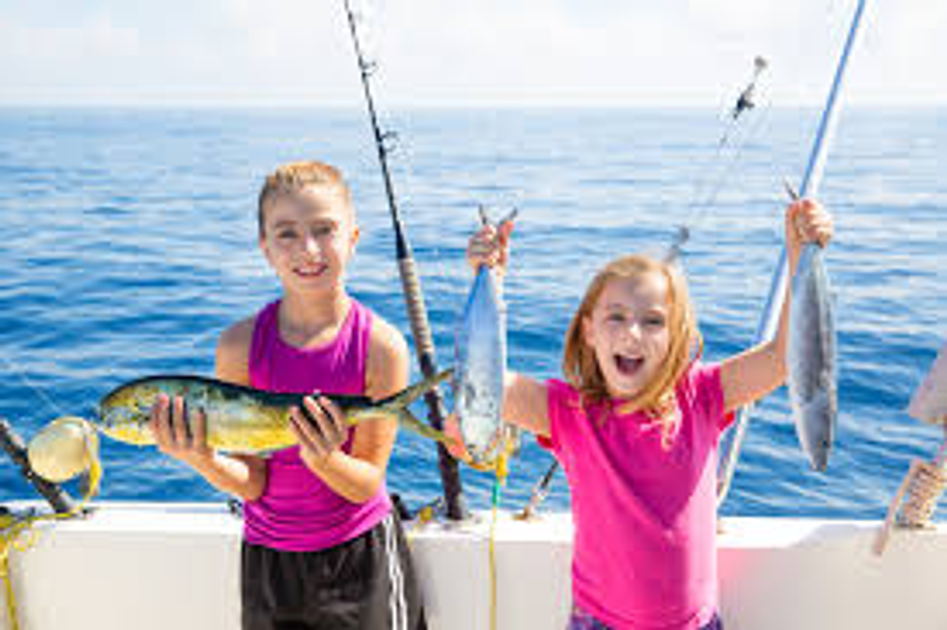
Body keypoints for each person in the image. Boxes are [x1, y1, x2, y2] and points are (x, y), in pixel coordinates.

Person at [460, 199, 833, 629]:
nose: (633, 333)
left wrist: (798, 252)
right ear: (589, 331)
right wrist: (488, 278)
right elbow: (485, 380)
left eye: (653, 321)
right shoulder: (571, 413)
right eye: (615, 317)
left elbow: (784, 358)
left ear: (677, 336)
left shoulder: (702, 396)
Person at [148, 160, 426, 630]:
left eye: (324, 230)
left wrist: (325, 460)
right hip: (268, 561)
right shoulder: (238, 346)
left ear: (353, 238)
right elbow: (253, 480)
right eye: (287, 234)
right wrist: (202, 458)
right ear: (265, 248)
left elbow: (365, 483)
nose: (308, 249)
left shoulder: (381, 347)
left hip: (360, 557)